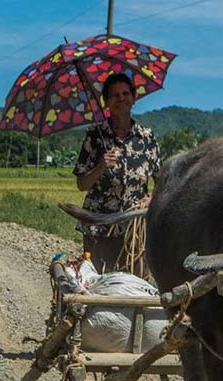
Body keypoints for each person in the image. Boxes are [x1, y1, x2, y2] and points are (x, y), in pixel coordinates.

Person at [73, 72, 161, 274]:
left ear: (133, 97)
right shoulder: (95, 136)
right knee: (99, 284)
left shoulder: (147, 137)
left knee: (136, 283)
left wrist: (150, 199)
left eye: (125, 93)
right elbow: (82, 184)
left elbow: (161, 181)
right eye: (114, 95)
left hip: (135, 227)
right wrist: (101, 166)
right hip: (98, 227)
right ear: (106, 102)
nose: (121, 99)